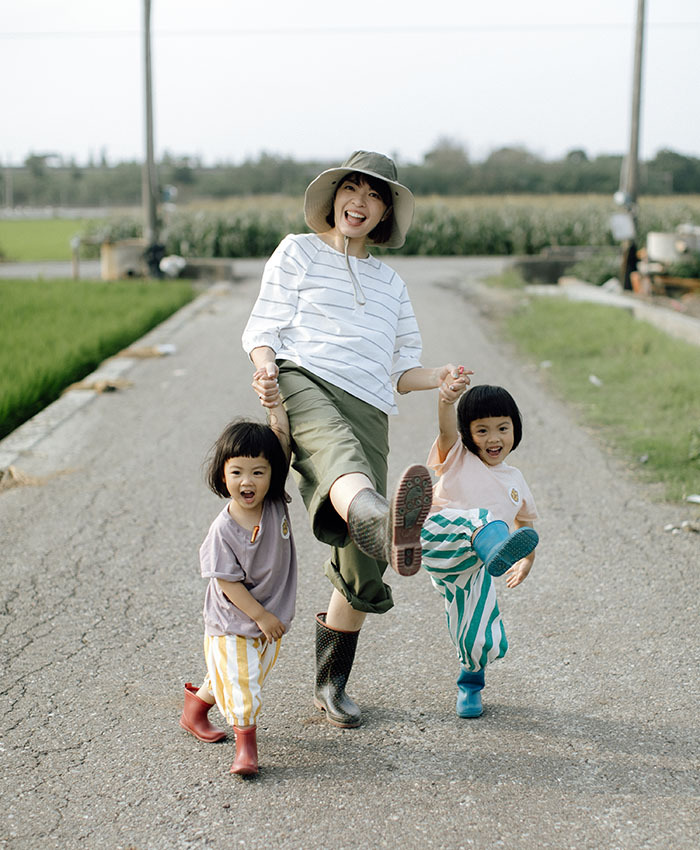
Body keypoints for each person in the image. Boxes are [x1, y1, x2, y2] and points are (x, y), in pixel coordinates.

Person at [241, 150, 468, 728]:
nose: (360, 202)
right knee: (344, 465)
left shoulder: (391, 284)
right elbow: (264, 327)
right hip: (303, 381)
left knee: (367, 566)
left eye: (375, 194)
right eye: (352, 188)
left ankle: (330, 682)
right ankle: (375, 513)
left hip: (370, 405)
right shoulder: (298, 250)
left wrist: (439, 376)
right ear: (335, 197)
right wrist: (266, 366)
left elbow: (400, 370)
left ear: (385, 211)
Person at [179, 385, 295, 776]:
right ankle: (246, 750)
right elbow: (227, 584)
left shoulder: (276, 502)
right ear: (222, 473)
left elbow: (282, 441)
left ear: (272, 475)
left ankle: (195, 709)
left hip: (270, 616)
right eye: (237, 472)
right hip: (234, 620)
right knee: (243, 684)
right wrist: (261, 615)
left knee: (239, 676)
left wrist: (274, 404)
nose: (248, 481)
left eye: (258, 472)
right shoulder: (222, 530)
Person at [420, 383, 539, 718]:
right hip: (440, 539)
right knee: (482, 521)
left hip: (474, 568)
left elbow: (526, 529)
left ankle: (470, 685)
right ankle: (397, 530)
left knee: (480, 636)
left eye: (503, 428)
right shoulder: (457, 455)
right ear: (468, 434)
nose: (493, 438)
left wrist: (527, 559)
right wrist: (446, 400)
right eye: (482, 430)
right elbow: (445, 427)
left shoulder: (515, 480)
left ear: (515, 429)